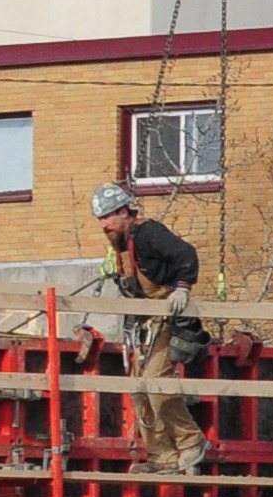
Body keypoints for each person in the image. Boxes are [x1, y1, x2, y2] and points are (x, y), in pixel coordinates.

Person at [90, 181, 211, 474]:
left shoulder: (148, 233)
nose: (104, 224)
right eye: (100, 219)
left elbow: (186, 254)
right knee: (137, 388)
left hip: (167, 317)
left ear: (124, 211)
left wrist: (182, 288)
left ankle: (192, 441)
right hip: (143, 323)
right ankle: (162, 457)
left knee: (157, 381)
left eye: (108, 217)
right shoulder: (119, 244)